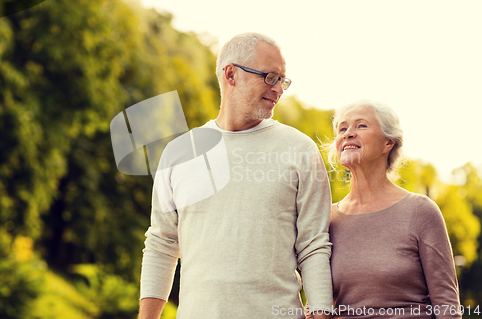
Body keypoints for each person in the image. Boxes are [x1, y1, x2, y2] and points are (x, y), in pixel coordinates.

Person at [138, 32, 333, 319]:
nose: (278, 89)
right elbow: (162, 244)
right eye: (270, 77)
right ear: (231, 74)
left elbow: (313, 246)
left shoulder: (300, 150)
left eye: (283, 80)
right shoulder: (179, 153)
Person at [315, 101, 460, 318]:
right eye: (342, 129)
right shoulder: (326, 219)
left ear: (388, 143)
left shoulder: (420, 211)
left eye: (361, 126)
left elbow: (447, 306)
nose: (348, 134)